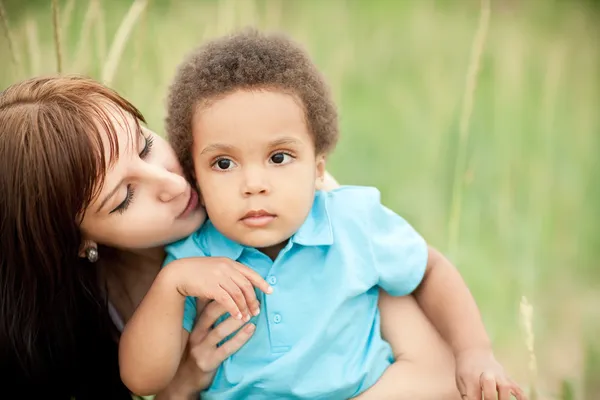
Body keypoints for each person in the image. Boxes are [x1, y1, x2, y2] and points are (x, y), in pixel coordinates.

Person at [119, 29, 525, 400]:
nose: (254, 183)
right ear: (196, 177)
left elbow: (431, 269)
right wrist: (172, 283)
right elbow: (143, 381)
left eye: (279, 157)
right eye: (224, 164)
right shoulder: (195, 259)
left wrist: (474, 351)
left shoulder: (352, 220)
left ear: (317, 169)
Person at [0, 75, 462, 399]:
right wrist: (183, 382)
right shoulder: (72, 324)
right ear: (80, 242)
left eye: (145, 145)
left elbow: (436, 373)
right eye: (124, 198)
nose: (175, 185)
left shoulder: (287, 211)